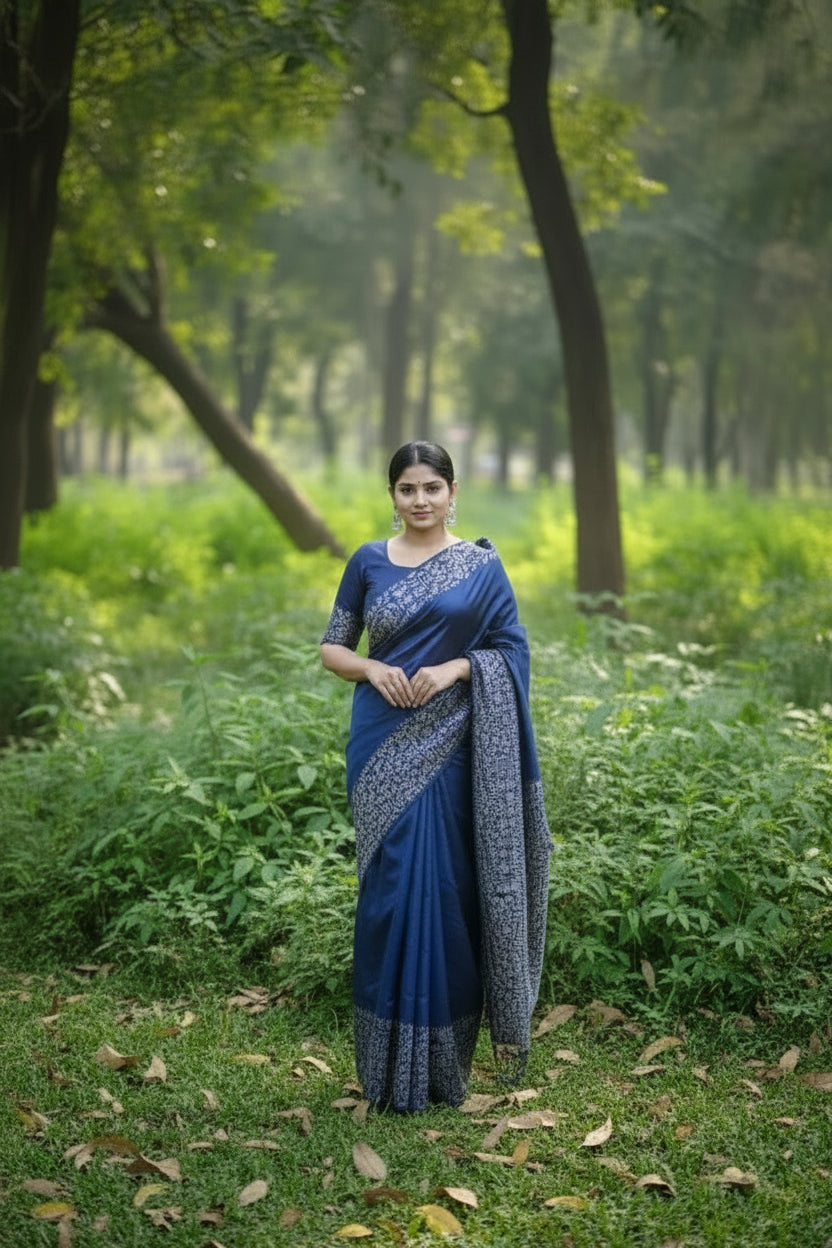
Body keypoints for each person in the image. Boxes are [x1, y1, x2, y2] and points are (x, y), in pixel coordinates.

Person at [320, 441, 551, 1112]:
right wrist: (370, 668)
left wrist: (458, 669)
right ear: (391, 496)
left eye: (431, 488)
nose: (419, 500)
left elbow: (512, 650)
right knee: (388, 895)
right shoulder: (367, 562)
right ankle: (384, 1068)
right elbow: (333, 646)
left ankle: (442, 1069)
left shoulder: (481, 569)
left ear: (453, 492)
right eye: (406, 489)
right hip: (381, 744)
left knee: (447, 893)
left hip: (452, 743)